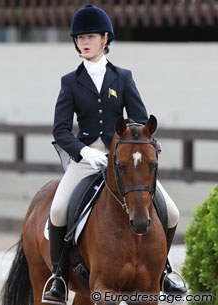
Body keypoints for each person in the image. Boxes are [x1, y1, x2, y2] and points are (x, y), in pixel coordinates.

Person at [43, 4, 186, 304]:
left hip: (121, 156)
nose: (84, 42)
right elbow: (60, 130)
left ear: (105, 39)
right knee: (56, 211)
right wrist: (83, 152)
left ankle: (163, 272)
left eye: (90, 36)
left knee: (171, 212)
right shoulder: (69, 81)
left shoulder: (122, 77)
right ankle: (57, 275)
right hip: (86, 157)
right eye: (79, 37)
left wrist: (131, 145)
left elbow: (140, 120)